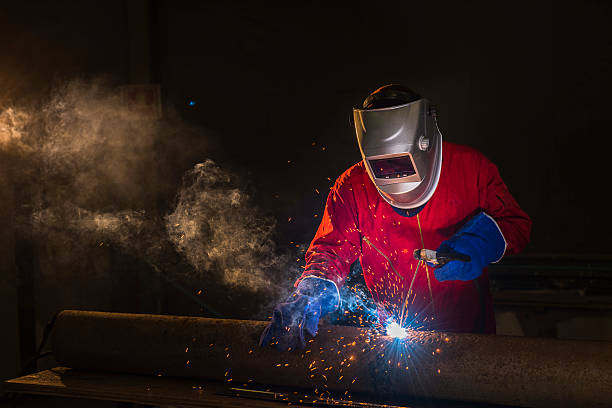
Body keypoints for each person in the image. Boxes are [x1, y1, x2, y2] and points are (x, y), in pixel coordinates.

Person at [260, 84, 531, 351]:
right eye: (381, 166)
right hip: (394, 340)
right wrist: (312, 288)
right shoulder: (353, 186)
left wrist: (481, 242)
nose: (393, 175)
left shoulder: (471, 168)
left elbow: (515, 225)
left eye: (400, 163)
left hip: (469, 337)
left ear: (423, 144)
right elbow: (331, 250)